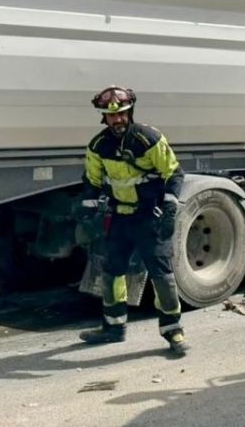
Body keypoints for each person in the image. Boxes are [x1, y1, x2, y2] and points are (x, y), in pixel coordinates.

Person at [75, 85, 189, 354]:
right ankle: (113, 328)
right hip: (119, 218)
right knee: (112, 272)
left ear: (130, 112)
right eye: (111, 116)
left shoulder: (148, 139)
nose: (117, 120)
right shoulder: (98, 146)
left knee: (162, 276)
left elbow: (174, 174)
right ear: (104, 117)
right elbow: (92, 183)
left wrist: (169, 210)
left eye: (122, 114)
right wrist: (87, 214)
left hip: (150, 217)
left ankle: (173, 331)